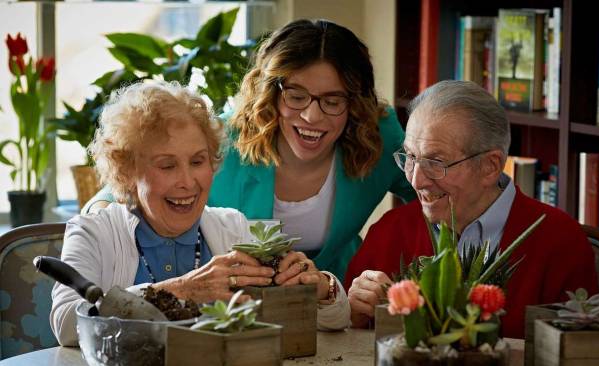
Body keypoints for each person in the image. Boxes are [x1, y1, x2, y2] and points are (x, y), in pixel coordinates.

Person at [84, 19, 416, 283]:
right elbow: (120, 191)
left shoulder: (376, 133)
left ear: (355, 105)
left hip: (334, 303)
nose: (312, 117)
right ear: (271, 93)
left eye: (332, 101)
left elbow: (430, 190)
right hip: (236, 305)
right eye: (296, 96)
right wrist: (97, 230)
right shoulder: (221, 137)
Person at [51, 81, 350, 347]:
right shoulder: (93, 232)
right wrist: (178, 291)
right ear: (127, 171)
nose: (188, 181)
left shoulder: (233, 227)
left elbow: (331, 321)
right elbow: (66, 324)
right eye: (167, 166)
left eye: (198, 161)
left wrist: (321, 288)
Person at [345, 80, 599, 339]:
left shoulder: (560, 241)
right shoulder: (391, 230)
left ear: (490, 166)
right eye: (410, 158)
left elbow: (583, 356)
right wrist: (355, 314)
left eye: (436, 161)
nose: (416, 180)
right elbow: (352, 335)